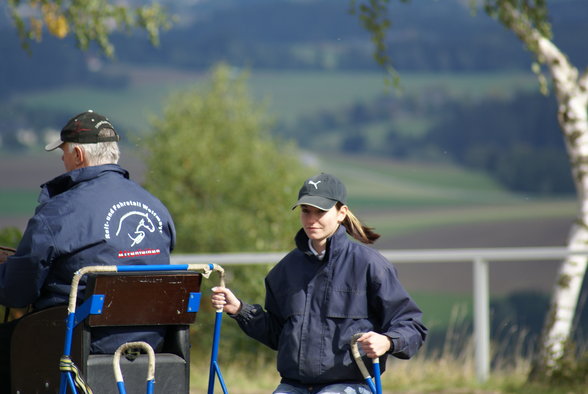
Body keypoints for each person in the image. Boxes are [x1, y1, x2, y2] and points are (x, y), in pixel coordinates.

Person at [0, 110, 176, 392]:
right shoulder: (157, 208)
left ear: (79, 156)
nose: (62, 160)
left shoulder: (57, 212)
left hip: (74, 346)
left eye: (64, 152)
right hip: (152, 347)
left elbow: (15, 293)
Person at [212, 172, 427, 393]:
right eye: (306, 211)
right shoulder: (283, 271)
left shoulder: (370, 265)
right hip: (292, 386)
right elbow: (278, 335)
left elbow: (413, 326)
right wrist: (239, 310)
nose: (312, 219)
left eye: (321, 211)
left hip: (350, 385)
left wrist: (388, 341)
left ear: (341, 213)